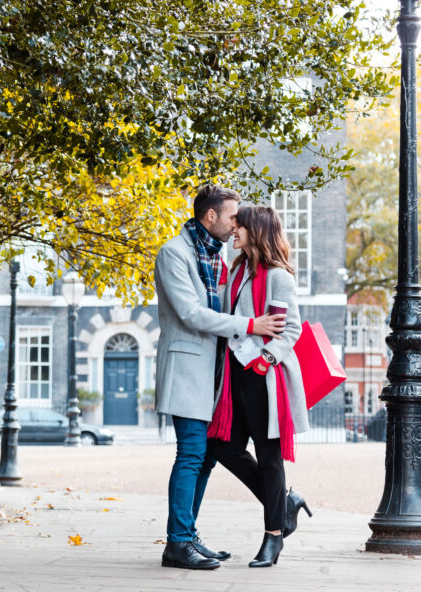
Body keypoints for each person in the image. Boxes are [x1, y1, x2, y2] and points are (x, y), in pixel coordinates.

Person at [154, 185, 286, 570]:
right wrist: (251, 324)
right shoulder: (174, 253)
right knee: (192, 454)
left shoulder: (216, 257)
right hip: (189, 370)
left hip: (216, 377)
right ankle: (177, 543)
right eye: (231, 217)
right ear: (210, 216)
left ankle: (187, 534)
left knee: (208, 457)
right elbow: (191, 314)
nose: (235, 226)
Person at [207, 205, 311, 568]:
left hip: (265, 377)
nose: (232, 232)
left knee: (269, 459)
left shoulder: (279, 276)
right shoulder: (237, 273)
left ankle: (273, 538)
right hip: (234, 378)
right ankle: (284, 505)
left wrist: (265, 358)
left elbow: (291, 329)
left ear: (257, 229)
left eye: (238, 227)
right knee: (224, 447)